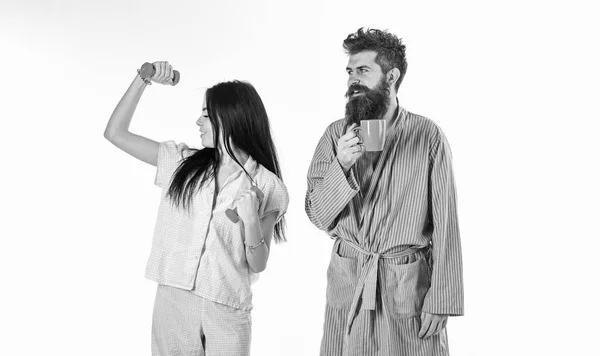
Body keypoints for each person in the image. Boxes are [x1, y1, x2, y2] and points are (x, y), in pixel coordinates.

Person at [104, 61, 289, 356]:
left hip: (226, 304)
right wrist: (143, 79)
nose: (198, 123)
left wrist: (251, 220)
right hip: (174, 298)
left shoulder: (268, 186)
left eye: (205, 115)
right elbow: (115, 133)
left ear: (231, 119)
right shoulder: (182, 163)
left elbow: (258, 264)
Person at [305, 28, 464, 356]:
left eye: (363, 70)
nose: (353, 80)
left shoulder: (426, 135)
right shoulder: (336, 134)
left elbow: (447, 221)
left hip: (404, 283)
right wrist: (342, 165)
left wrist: (442, 298)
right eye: (350, 72)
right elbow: (317, 215)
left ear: (391, 76)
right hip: (349, 280)